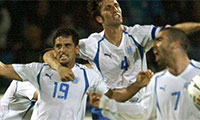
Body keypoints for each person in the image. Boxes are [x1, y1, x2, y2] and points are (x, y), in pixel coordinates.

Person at [43, 0, 200, 119]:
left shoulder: (138, 34)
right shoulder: (92, 44)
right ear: (99, 19)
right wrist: (59, 68)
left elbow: (172, 31)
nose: (115, 9)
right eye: (108, 8)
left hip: (138, 108)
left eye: (116, 5)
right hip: (108, 108)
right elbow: (49, 54)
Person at [0, 28, 152, 120]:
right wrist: (58, 69)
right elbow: (4, 69)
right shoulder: (39, 71)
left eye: (67, 46)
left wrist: (137, 85)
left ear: (77, 50)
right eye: (58, 46)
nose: (62, 50)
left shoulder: (88, 75)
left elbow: (116, 96)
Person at [88, 27, 200, 120]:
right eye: (154, 41)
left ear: (175, 44)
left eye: (160, 40)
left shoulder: (198, 72)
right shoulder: (157, 81)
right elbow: (143, 112)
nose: (154, 45)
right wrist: (107, 104)